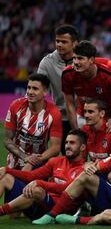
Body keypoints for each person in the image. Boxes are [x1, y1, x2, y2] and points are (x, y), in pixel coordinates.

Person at [32, 126, 111, 226]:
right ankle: (52, 215)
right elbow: (93, 167)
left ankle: (76, 219)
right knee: (86, 176)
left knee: (108, 216)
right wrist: (88, 165)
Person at [0, 129, 87, 220]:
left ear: (82, 147)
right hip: (40, 203)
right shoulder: (56, 161)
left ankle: (1, 210)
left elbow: (65, 188)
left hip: (56, 210)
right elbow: (30, 176)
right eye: (66, 143)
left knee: (37, 190)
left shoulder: (85, 169)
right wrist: (7, 170)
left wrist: (39, 183)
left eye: (72, 143)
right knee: (6, 177)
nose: (68, 146)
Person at [61, 41, 111, 132]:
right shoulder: (67, 74)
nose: (75, 62)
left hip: (110, 116)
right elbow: (69, 104)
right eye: (74, 58)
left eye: (80, 58)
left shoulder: (110, 75)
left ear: (91, 60)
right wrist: (75, 130)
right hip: (85, 115)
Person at [4, 74, 62, 171]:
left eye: (35, 89)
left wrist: (33, 162)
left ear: (45, 92)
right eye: (29, 88)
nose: (30, 92)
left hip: (39, 165)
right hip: (14, 164)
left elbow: (55, 147)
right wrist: (25, 157)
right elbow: (7, 140)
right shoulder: (16, 106)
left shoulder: (54, 113)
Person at [37, 24, 79, 154]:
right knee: (67, 154)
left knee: (91, 154)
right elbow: (38, 87)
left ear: (74, 43)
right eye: (57, 41)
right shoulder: (47, 62)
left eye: (64, 42)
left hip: (85, 115)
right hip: (62, 117)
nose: (59, 44)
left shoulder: (85, 59)